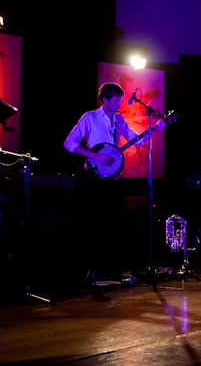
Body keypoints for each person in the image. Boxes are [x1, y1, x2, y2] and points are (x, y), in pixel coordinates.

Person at [63, 82, 165, 282]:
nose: (119, 103)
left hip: (115, 179)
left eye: (120, 99)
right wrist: (97, 157)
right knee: (95, 224)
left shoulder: (119, 119)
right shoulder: (89, 118)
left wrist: (155, 129)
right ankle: (93, 270)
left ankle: (113, 271)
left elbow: (136, 139)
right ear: (106, 99)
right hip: (95, 178)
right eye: (116, 100)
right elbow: (69, 143)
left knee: (117, 223)